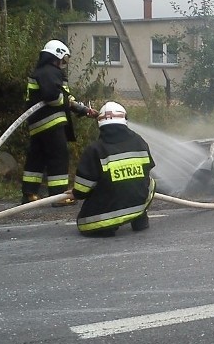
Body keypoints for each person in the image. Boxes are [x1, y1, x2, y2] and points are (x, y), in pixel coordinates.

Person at [21, 39, 97, 205]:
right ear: (57, 55)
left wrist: (84, 110)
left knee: (36, 158)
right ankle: (59, 196)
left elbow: (65, 97)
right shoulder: (51, 72)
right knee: (58, 157)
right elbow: (53, 97)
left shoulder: (42, 71)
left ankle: (29, 194)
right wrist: (68, 102)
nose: (65, 62)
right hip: (51, 123)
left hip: (37, 124)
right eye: (65, 58)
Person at [67, 101, 156, 237]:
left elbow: (83, 188)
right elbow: (148, 168)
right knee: (150, 182)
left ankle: (106, 227)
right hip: (138, 203)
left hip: (108, 213)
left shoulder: (95, 150)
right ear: (124, 120)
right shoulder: (139, 141)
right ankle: (139, 218)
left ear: (100, 125)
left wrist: (76, 193)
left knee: (86, 221)